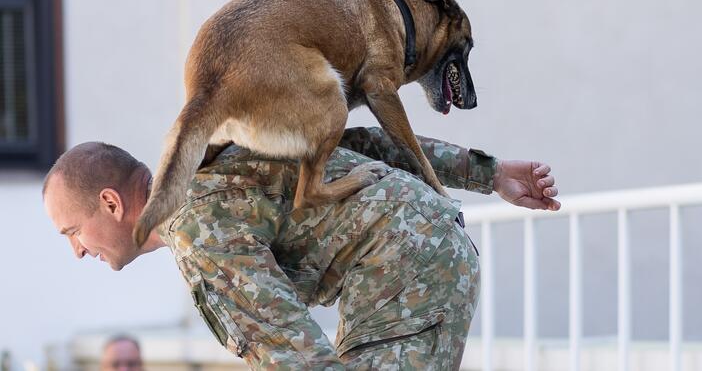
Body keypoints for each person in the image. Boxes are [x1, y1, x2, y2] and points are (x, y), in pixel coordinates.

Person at [43, 127, 559, 370]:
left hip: (404, 269)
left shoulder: (195, 229)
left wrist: (482, 173)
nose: (78, 251)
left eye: (72, 232)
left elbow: (296, 357)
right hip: (410, 258)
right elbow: (351, 142)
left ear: (111, 203)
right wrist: (483, 172)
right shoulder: (207, 161)